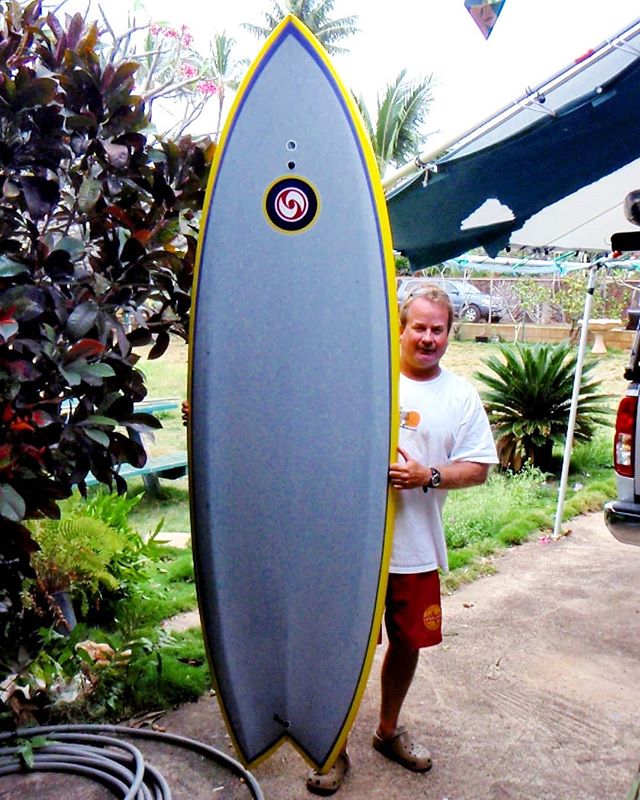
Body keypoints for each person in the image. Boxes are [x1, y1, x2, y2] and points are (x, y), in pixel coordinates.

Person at [306, 284, 498, 795]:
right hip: (353, 550)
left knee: (408, 642)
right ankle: (333, 747)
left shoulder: (459, 395)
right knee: (346, 649)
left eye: (438, 329)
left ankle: (387, 732)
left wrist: (427, 476)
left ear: (450, 334)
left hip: (415, 548)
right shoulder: (366, 381)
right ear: (400, 327)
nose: (428, 338)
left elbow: (479, 468)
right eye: (419, 327)